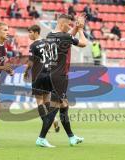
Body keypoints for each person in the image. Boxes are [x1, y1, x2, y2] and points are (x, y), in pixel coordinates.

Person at [35, 14, 87, 147]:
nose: (70, 27)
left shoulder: (50, 36)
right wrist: (80, 29)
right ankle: (41, 138)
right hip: (60, 76)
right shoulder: (65, 37)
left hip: (51, 73)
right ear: (63, 24)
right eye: (68, 25)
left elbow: (67, 36)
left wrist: (75, 26)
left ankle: (71, 137)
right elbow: (84, 43)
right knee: (54, 108)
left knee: (64, 105)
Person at [23, 25, 60, 136]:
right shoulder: (47, 43)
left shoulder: (33, 45)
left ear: (36, 32)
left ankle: (47, 123)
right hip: (49, 73)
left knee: (39, 101)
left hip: (38, 75)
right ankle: (54, 119)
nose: (29, 35)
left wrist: (26, 72)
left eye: (30, 32)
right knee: (46, 100)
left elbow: (30, 63)